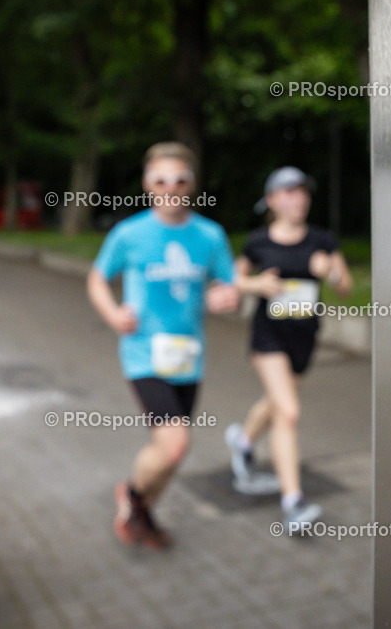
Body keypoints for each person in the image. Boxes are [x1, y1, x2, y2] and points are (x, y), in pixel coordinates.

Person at [87, 142, 239, 550]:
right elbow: (97, 279)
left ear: (192, 184)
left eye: (179, 180)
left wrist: (226, 297)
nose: (170, 188)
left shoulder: (210, 235)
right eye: (160, 180)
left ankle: (141, 514)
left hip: (188, 357)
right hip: (143, 354)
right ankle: (132, 495)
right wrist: (112, 314)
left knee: (171, 451)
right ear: (147, 184)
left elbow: (228, 284)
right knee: (176, 442)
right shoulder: (129, 233)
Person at [225, 166, 352, 528]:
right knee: (288, 412)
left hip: (304, 337)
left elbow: (345, 287)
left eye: (302, 192)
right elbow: (232, 279)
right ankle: (293, 502)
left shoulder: (322, 240)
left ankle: (243, 442)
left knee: (276, 401)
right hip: (269, 337)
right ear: (271, 200)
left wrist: (330, 271)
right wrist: (257, 285)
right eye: (288, 192)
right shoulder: (258, 242)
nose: (298, 199)